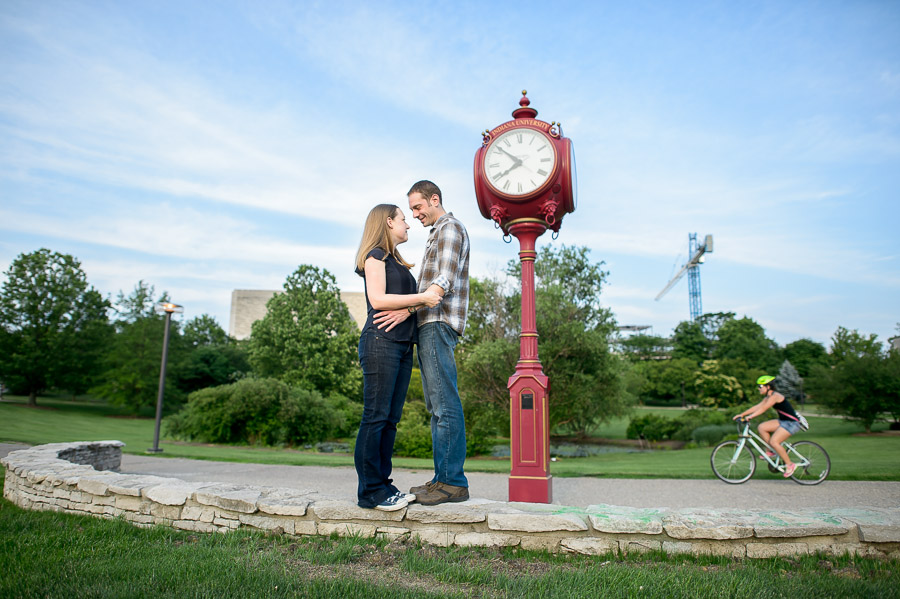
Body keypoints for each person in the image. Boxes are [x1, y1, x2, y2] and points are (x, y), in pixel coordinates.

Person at [374, 180, 471, 506]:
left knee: (444, 403)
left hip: (438, 321)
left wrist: (409, 308)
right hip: (429, 323)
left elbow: (443, 279)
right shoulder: (437, 233)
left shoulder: (450, 228)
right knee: (436, 405)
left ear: (434, 199)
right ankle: (442, 478)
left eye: (418, 207)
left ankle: (453, 482)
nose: (415, 215)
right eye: (411, 210)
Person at [354, 204, 442, 511]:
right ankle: (370, 492)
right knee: (375, 418)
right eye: (403, 219)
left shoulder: (397, 262)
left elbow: (402, 304)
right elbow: (377, 299)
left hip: (403, 345)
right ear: (388, 222)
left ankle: (384, 485)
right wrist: (423, 297)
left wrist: (411, 307)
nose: (408, 224)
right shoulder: (375, 255)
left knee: (390, 420)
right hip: (380, 343)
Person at [733, 375, 801, 477]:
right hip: (783, 421)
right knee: (762, 427)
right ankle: (770, 451)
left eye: (760, 386)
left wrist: (750, 417)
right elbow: (757, 407)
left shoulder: (775, 396)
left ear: (768, 386)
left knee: (774, 441)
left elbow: (764, 408)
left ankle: (790, 464)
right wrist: (742, 414)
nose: (758, 388)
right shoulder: (768, 397)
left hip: (792, 423)